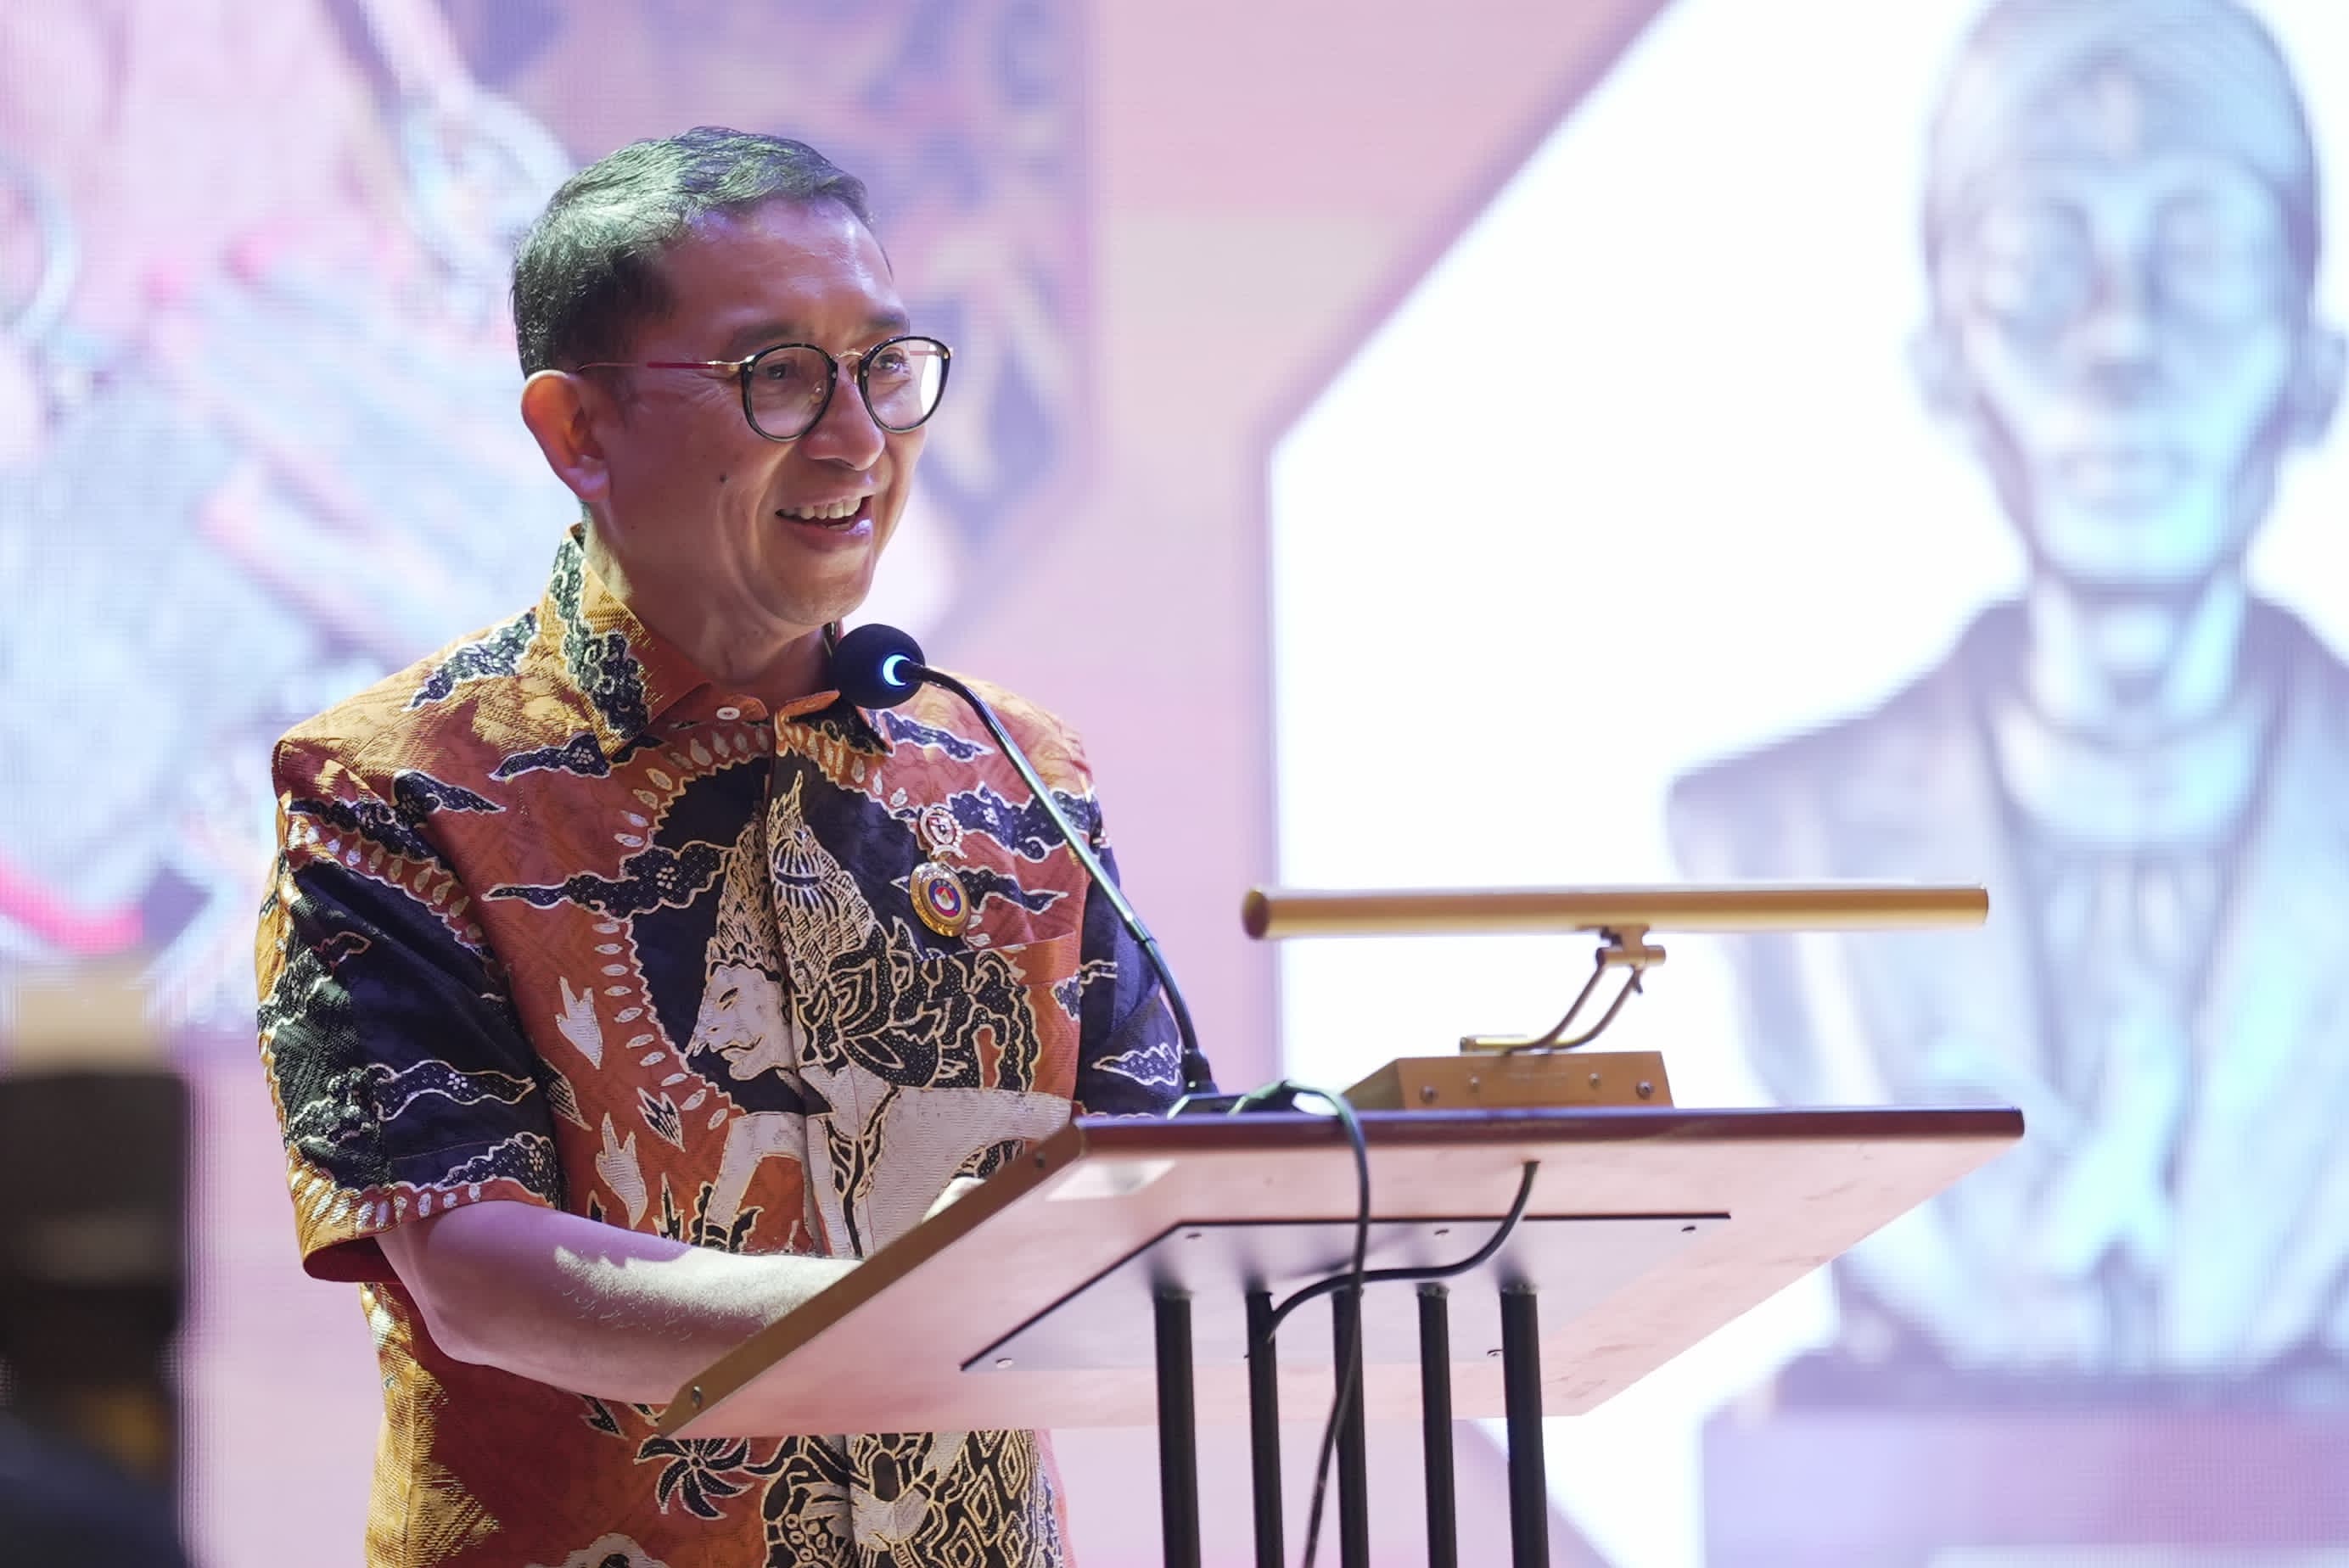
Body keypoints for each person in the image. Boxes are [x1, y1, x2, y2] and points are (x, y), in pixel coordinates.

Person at [255, 127, 1200, 1567]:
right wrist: (910, 1317)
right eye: (779, 376)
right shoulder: (398, 785)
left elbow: (1158, 1191)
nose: (858, 439)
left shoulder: (1013, 765)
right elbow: (475, 1269)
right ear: (580, 431)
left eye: (883, 366)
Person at [1669, 0, 2349, 1380]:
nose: (2121, 343)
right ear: (1941, 368)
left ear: (2313, 366)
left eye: (2203, 254)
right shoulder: (1773, 849)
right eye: (2041, 261)